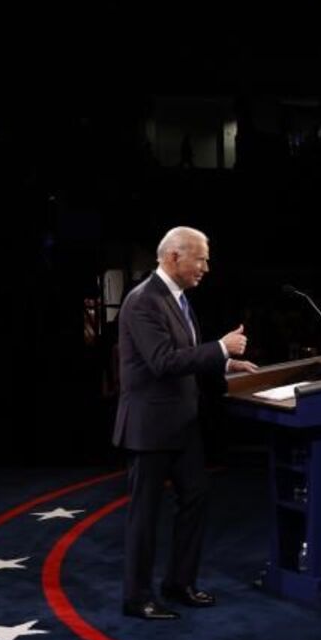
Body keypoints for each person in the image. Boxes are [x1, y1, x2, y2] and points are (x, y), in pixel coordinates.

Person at [112, 227, 257, 620]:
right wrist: (220, 347)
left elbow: (184, 355)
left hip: (181, 423)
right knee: (145, 515)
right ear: (174, 256)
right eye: (201, 259)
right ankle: (136, 598)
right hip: (150, 427)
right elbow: (162, 361)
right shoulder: (143, 300)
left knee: (196, 497)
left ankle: (179, 583)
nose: (206, 268)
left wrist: (225, 364)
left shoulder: (177, 298)